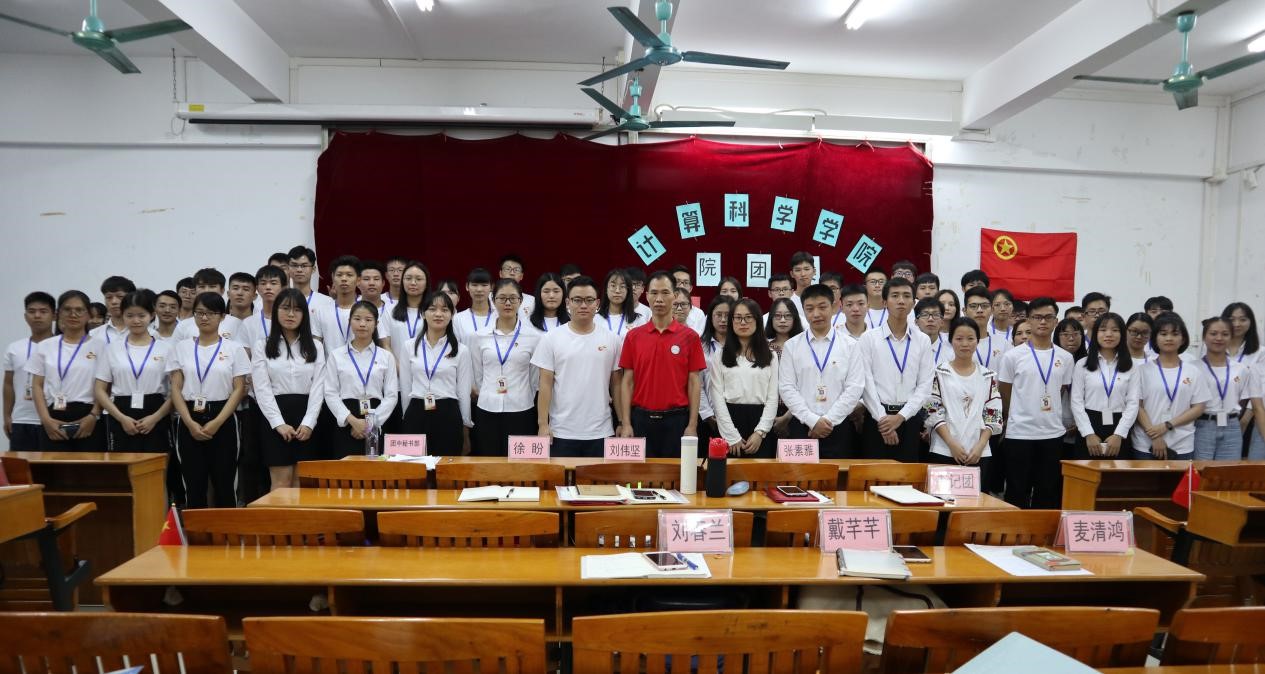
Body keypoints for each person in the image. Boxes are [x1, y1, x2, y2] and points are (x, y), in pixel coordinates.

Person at [167, 292, 250, 508]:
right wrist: (189, 423)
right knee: (193, 484)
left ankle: (227, 528)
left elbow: (239, 389)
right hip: (189, 416)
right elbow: (175, 388)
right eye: (200, 313)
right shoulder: (182, 347)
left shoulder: (234, 348)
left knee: (225, 483)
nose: (204, 318)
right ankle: (196, 529)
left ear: (222, 316)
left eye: (211, 313)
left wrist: (217, 422)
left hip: (223, 415)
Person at [997, 297, 1075, 509]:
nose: (1042, 322)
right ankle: (1016, 529)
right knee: (1016, 490)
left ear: (1056, 321)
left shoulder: (1065, 357)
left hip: (1052, 433)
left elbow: (1061, 389)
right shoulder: (1013, 356)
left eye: (1048, 317)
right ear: (1029, 320)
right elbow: (1005, 391)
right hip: (1019, 433)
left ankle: (1043, 530)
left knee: (1047, 490)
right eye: (1037, 317)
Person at [617, 271, 705, 457]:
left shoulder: (690, 337)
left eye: (665, 293)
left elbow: (694, 383)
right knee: (639, 474)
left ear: (675, 295)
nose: (659, 299)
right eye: (654, 293)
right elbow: (627, 382)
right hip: (640, 420)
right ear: (646, 295)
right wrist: (626, 423)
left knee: (676, 473)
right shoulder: (633, 337)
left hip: (677, 421)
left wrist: (692, 425)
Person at [532, 276, 623, 457]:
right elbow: (545, 384)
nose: (583, 305)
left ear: (597, 303)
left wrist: (622, 421)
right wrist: (543, 424)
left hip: (601, 430)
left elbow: (617, 384)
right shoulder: (551, 338)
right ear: (568, 303)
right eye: (577, 300)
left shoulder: (612, 339)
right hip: (561, 431)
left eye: (589, 300)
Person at [778, 283, 865, 458]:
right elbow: (786, 388)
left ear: (834, 307)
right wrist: (812, 420)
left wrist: (828, 421)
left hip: (839, 427)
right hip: (802, 427)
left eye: (822, 307)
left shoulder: (851, 345)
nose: (816, 314)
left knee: (838, 475)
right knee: (800, 475)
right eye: (810, 309)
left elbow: (854, 388)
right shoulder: (792, 346)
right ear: (803, 311)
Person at [251, 289, 325, 488]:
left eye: (297, 310)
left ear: (304, 315)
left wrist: (309, 422)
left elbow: (319, 387)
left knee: (303, 483)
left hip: (307, 416)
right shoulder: (262, 345)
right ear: (275, 311)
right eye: (285, 308)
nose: (291, 314)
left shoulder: (315, 346)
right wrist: (278, 423)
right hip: (274, 416)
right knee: (281, 483)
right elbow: (262, 389)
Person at [857, 277, 933, 462]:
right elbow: (866, 383)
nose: (901, 301)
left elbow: (925, 386)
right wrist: (883, 420)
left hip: (909, 419)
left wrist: (900, 417)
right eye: (895, 296)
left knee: (907, 475)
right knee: (874, 474)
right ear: (884, 302)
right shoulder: (869, 339)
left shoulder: (922, 340)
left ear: (913, 303)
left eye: (906, 296)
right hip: (876, 418)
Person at [94, 289, 173, 454]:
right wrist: (121, 418)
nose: (136, 321)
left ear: (152, 315)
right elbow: (100, 390)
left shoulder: (166, 349)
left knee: (156, 465)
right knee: (122, 465)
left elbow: (176, 391)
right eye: (130, 315)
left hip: (156, 411)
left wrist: (155, 418)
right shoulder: (112, 349)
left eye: (141, 315)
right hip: (121, 412)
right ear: (123, 316)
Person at [923, 317, 1003, 478]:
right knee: (943, 494)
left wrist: (980, 446)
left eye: (970, 338)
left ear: (977, 341)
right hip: (944, 449)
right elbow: (932, 410)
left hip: (978, 453)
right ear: (951, 341)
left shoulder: (987, 376)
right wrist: (951, 444)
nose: (965, 344)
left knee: (977, 494)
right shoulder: (939, 373)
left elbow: (994, 413)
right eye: (959, 339)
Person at [27, 291, 105, 451]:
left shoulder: (101, 347)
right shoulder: (45, 346)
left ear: (89, 314)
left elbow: (105, 385)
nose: (73, 314)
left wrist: (94, 415)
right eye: (67, 309)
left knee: (89, 466)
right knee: (53, 466)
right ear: (58, 314)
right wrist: (45, 420)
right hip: (53, 416)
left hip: (88, 416)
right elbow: (37, 386)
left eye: (79, 310)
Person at [471, 280, 540, 455]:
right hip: (487, 408)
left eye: (512, 298)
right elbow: (477, 374)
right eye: (502, 298)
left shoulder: (533, 337)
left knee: (520, 463)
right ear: (493, 300)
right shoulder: (479, 336)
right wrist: (488, 392)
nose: (507, 303)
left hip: (521, 409)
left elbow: (534, 378)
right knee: (488, 461)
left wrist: (523, 394)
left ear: (521, 301)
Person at [325, 300, 400, 458]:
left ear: (376, 323)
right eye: (357, 319)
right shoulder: (336, 355)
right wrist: (353, 421)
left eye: (368, 319)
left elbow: (392, 395)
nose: (362, 324)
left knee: (375, 470)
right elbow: (330, 393)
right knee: (346, 470)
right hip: (346, 419)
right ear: (350, 321)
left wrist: (370, 424)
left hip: (377, 417)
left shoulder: (386, 356)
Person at [1132, 312, 1210, 460]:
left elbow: (1199, 407)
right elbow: (1137, 406)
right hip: (1145, 443)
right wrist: (1154, 436)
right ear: (1155, 338)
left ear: (1183, 339)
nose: (1169, 338)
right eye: (1163, 334)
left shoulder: (1193, 371)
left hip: (1182, 444)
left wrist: (1167, 425)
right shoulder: (1141, 371)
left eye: (1175, 334)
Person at [709, 298, 778, 458]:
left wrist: (760, 432)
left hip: (760, 421)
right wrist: (731, 436)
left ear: (757, 320)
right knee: (728, 472)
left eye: (748, 317)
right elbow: (717, 397)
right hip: (729, 420)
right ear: (732, 321)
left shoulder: (771, 356)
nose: (743, 322)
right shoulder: (720, 355)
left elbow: (773, 397)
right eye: (738, 318)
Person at [402, 292, 470, 455]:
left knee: (445, 466)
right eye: (432, 309)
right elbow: (405, 386)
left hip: (448, 413)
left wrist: (465, 426)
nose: (438, 314)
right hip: (416, 411)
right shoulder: (409, 346)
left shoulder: (461, 350)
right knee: (416, 465)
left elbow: (463, 392)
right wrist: (406, 416)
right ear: (423, 313)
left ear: (452, 315)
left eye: (445, 310)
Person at [1071, 312, 1139, 459]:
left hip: (1120, 425)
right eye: (1103, 330)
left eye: (1115, 330)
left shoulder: (1131, 366)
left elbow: (1133, 403)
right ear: (1096, 333)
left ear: (1122, 334)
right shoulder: (1082, 364)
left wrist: (1119, 434)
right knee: (1086, 472)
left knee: (1117, 473)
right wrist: (1088, 433)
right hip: (1089, 424)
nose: (1109, 334)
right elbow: (1076, 401)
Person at [4, 291, 55, 451]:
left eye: (43, 311)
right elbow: (8, 384)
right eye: (32, 311)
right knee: (21, 466)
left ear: (54, 315)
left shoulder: (61, 347)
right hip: (22, 419)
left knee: (52, 466)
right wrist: (7, 416)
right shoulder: (14, 348)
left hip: (53, 419)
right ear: (25, 316)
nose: (37, 316)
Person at [1193, 316, 1249, 460]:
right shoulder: (1193, 368)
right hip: (1202, 425)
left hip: (1232, 426)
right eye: (1213, 333)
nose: (1219, 338)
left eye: (1225, 334)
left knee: (1228, 471)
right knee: (1202, 469)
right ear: (1204, 337)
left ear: (1231, 337)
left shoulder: (1241, 369)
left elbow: (1244, 399)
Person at [314, 256, 389, 352]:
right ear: (333, 277)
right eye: (339, 275)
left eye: (349, 275)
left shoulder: (369, 309)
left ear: (358, 280)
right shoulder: (321, 311)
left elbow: (384, 344)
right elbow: (316, 345)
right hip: (332, 361)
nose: (344, 279)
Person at [386, 261, 431, 420]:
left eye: (418, 279)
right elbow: (385, 345)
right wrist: (403, 370)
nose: (413, 283)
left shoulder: (434, 311)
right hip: (397, 381)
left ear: (426, 283)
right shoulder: (389, 311)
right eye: (408, 278)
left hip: (428, 380)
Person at [239, 265, 287, 349]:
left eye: (273, 283)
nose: (268, 287)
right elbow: (245, 354)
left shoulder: (291, 319)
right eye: (263, 283)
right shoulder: (248, 323)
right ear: (257, 288)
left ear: (283, 288)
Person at [963, 286, 1008, 368]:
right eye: (973, 306)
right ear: (964, 311)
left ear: (992, 310)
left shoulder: (1004, 344)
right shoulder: (956, 344)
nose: (979, 310)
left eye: (984, 306)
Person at [286, 246, 335, 319]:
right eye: (294, 265)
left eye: (304, 266)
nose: (299, 270)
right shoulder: (282, 301)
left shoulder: (327, 302)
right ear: (288, 268)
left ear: (313, 269)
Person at [90, 276, 136, 344]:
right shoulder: (93, 335)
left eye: (120, 296)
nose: (114, 301)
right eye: (109, 297)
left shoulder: (149, 334)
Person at [454, 268, 495, 346]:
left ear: (492, 287)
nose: (479, 289)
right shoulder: (458, 319)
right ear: (467, 286)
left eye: (484, 285)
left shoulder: (499, 317)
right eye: (474, 285)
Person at [598, 269, 640, 340]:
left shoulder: (638, 320)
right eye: (613, 285)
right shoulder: (594, 318)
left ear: (628, 291)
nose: (617, 291)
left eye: (622, 286)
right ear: (606, 289)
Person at [1221, 302, 1260, 367]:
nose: (1237, 324)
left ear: (1251, 322)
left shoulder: (1261, 353)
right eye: (1231, 320)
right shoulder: (1210, 347)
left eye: (1243, 320)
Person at [670, 264, 707, 332]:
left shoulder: (699, 314)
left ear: (690, 288)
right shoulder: (661, 311)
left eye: (685, 283)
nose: (681, 286)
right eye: (677, 282)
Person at [914, 297, 949, 366]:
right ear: (916, 321)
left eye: (936, 315)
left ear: (942, 321)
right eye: (924, 315)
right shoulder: (909, 347)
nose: (930, 319)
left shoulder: (951, 348)